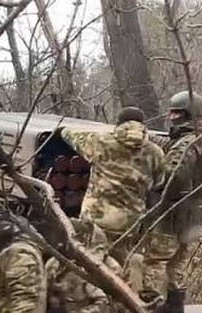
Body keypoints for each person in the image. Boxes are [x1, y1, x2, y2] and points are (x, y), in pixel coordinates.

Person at [57, 107, 167, 293]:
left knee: (92, 264)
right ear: (142, 126)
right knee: (125, 265)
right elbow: (160, 182)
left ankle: (91, 300)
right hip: (129, 223)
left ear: (119, 124)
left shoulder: (101, 141)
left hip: (96, 220)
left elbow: (68, 134)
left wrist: (62, 130)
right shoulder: (154, 152)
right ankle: (129, 304)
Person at [142, 91, 202, 313]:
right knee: (176, 261)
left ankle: (147, 306)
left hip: (175, 212)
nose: (171, 117)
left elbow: (175, 174)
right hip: (193, 213)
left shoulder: (187, 143)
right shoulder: (199, 139)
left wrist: (155, 190)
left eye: (176, 113)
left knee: (155, 259)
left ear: (187, 115)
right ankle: (174, 304)